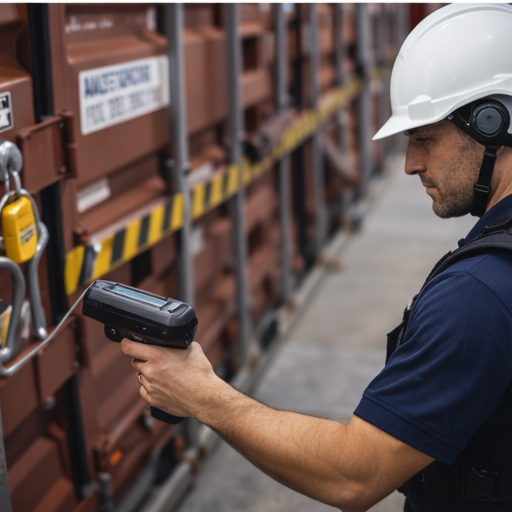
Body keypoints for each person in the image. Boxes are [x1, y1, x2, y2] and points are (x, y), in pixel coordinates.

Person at [121, 4, 512, 511]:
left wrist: (203, 395)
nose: (410, 164)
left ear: (493, 123)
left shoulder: (479, 295)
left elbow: (354, 475)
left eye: (424, 139)